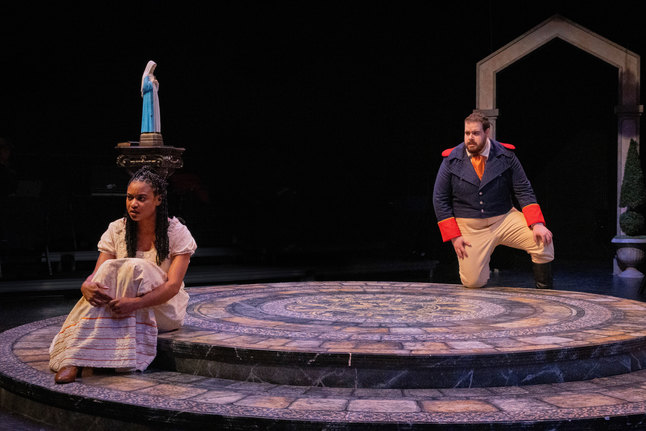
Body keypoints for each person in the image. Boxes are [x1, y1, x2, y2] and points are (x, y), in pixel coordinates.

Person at [49, 167, 197, 384]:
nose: (133, 204)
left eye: (141, 198)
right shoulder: (117, 229)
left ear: (158, 199)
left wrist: (135, 303)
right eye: (129, 197)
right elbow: (99, 274)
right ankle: (74, 358)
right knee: (109, 269)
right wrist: (86, 286)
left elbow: (173, 286)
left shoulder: (176, 232)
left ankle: (78, 359)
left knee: (134, 266)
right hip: (120, 303)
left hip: (162, 308)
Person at [432, 112, 554, 289]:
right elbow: (440, 199)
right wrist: (454, 236)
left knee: (543, 241)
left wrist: (537, 224)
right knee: (473, 282)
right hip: (471, 226)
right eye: (467, 133)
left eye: (475, 133)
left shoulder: (506, 155)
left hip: (504, 219)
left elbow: (523, 189)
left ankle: (545, 294)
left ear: (487, 132)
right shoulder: (451, 159)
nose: (470, 138)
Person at [141, 60, 161, 134]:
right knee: (149, 113)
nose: (153, 69)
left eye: (154, 68)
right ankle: (148, 129)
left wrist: (156, 84)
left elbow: (155, 89)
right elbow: (144, 88)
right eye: (153, 67)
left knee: (154, 113)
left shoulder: (152, 76)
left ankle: (154, 129)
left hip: (154, 97)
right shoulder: (146, 76)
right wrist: (151, 82)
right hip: (148, 98)